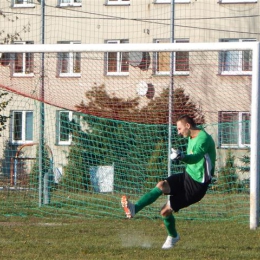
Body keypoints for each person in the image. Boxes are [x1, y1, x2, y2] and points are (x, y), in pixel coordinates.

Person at [121, 114, 216, 249]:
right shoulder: (192, 134)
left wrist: (181, 156)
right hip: (187, 176)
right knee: (161, 185)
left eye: (179, 128)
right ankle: (134, 208)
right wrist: (181, 155)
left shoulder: (203, 139)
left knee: (165, 211)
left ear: (188, 126)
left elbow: (195, 158)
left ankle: (173, 236)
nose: (178, 132)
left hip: (197, 186)